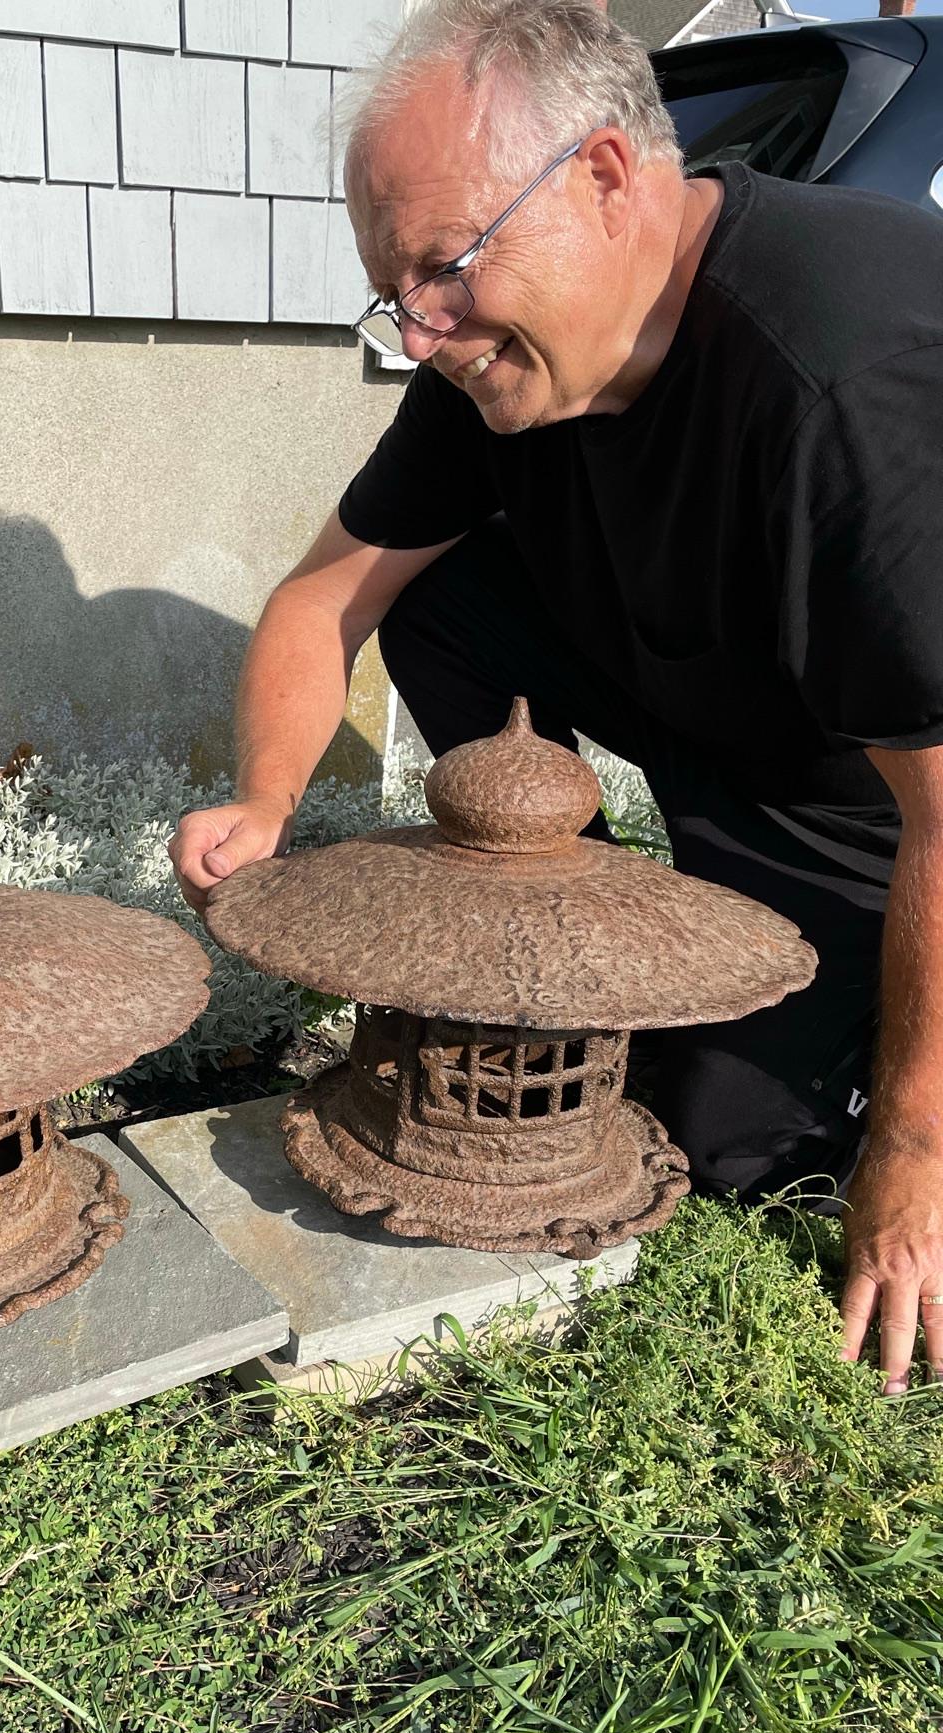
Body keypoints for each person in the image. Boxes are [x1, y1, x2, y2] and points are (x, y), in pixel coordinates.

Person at [167, 0, 943, 1396]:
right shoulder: (504, 372)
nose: (419, 333)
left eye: (444, 271)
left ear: (600, 177)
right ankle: (557, 931)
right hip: (721, 706)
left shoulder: (844, 377)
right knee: (445, 590)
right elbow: (322, 596)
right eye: (395, 293)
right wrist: (266, 801)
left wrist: (912, 1150)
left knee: (720, 1152)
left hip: (877, 805)